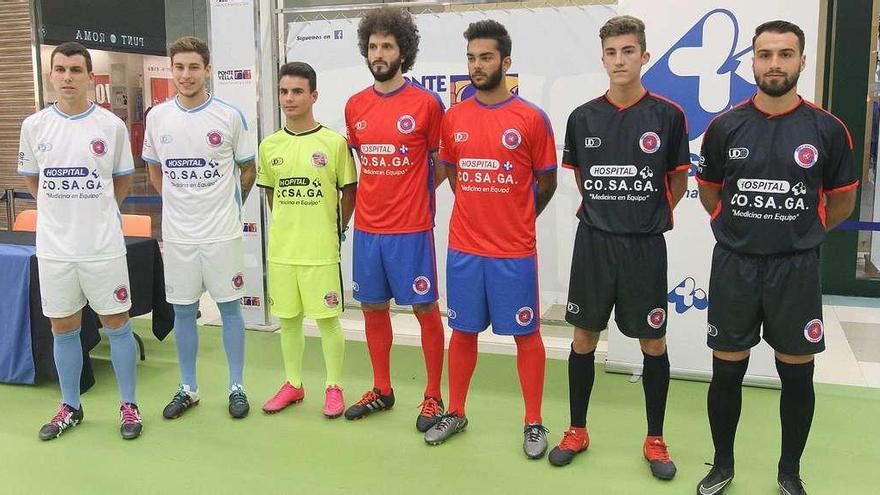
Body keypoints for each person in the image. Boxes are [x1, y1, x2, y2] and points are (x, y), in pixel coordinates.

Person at [695, 20, 858, 495]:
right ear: (752, 61)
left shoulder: (827, 129)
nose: (774, 64)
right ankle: (722, 465)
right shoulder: (726, 126)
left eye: (785, 54)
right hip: (736, 266)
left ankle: (790, 472)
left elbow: (842, 202)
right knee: (727, 370)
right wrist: (745, 230)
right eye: (765, 54)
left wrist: (800, 233)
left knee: (796, 374)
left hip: (796, 269)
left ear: (802, 61)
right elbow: (709, 193)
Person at [548, 16, 690, 479]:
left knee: (653, 340)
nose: (619, 60)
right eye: (611, 52)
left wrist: (643, 219)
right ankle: (576, 429)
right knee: (584, 337)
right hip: (594, 244)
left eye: (629, 51)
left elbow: (678, 180)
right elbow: (583, 180)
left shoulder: (668, 116)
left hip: (644, 249)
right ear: (602, 58)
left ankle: (655, 438)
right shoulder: (583, 117)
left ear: (644, 56)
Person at [423, 19, 557, 460]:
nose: (477, 66)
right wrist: (480, 212)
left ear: (505, 61)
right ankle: (456, 411)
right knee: (461, 333)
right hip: (464, 249)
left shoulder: (532, 118)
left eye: (485, 57)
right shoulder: (454, 117)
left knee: (526, 335)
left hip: (513, 253)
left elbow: (547, 182)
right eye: (471, 58)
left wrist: (517, 217)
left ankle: (533, 421)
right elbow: (456, 176)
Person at [18, 41, 142, 440]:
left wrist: (97, 211)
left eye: (75, 70)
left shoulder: (111, 127)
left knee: (117, 323)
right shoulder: (34, 126)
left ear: (90, 76)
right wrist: (60, 211)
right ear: (51, 75)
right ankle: (70, 405)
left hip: (103, 247)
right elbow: (33, 180)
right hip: (55, 249)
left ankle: (129, 406)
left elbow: (121, 181)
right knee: (63, 327)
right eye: (61, 70)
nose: (68, 77)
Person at [343, 6, 448, 432]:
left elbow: (442, 164)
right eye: (373, 46)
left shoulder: (426, 103)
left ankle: (433, 395)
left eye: (387, 45)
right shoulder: (355, 106)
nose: (379, 53)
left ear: (403, 51)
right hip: (368, 230)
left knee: (424, 308)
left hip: (412, 231)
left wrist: (415, 195)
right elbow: (361, 163)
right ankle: (383, 389)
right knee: (372, 308)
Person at [143, 36, 256, 420]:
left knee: (231, 311)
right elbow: (154, 170)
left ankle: (236, 387)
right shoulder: (157, 117)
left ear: (207, 70)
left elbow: (248, 169)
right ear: (171, 70)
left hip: (222, 233)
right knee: (184, 312)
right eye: (179, 67)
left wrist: (225, 203)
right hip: (178, 236)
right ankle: (188, 388)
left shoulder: (229, 115)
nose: (186, 75)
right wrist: (179, 201)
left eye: (194, 67)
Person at [257, 62, 357, 419]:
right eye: (284, 91)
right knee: (288, 320)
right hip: (282, 252)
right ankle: (293, 384)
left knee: (328, 319)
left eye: (297, 91)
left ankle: (333, 386)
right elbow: (272, 195)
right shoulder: (269, 145)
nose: (289, 98)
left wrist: (335, 230)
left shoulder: (333, 143)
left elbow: (349, 192)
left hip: (321, 252)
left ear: (313, 95)